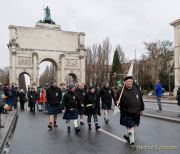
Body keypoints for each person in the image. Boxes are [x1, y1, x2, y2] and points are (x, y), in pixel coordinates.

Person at [115, 76, 144, 150]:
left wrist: (142, 109)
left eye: (131, 81)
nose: (130, 83)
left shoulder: (136, 89)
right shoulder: (120, 91)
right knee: (131, 127)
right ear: (125, 83)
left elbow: (140, 100)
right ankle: (132, 143)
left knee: (134, 127)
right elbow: (116, 102)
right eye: (128, 81)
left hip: (136, 112)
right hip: (127, 112)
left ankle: (128, 136)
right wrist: (117, 102)